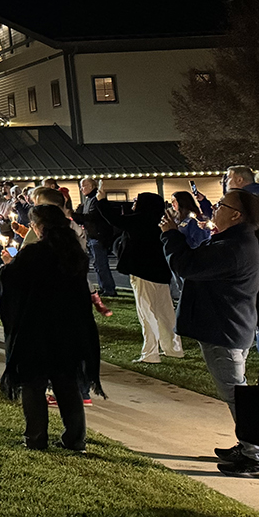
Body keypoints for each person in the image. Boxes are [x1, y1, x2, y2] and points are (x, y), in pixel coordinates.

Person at [161, 188, 259, 475]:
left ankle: (253, 454)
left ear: (236, 215)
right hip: (232, 325)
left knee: (236, 394)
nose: (214, 208)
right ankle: (247, 445)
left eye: (221, 205)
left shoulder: (233, 247)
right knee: (237, 391)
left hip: (224, 329)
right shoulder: (238, 241)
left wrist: (170, 235)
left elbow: (186, 266)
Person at [0, 205, 103, 452]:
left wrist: (8, 265)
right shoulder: (73, 253)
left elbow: (13, 284)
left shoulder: (34, 254)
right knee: (66, 382)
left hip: (36, 328)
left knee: (33, 383)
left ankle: (36, 437)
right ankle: (75, 438)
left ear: (40, 227)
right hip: (67, 327)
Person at [116, 192, 182, 364]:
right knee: (165, 313)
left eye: (137, 201)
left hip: (142, 273)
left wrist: (101, 200)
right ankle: (173, 349)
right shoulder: (160, 221)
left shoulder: (139, 221)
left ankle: (150, 353)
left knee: (147, 313)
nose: (133, 204)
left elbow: (113, 220)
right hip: (160, 274)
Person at [71, 177, 120, 297]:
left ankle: (109, 289)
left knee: (101, 264)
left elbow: (91, 217)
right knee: (98, 264)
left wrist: (72, 215)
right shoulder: (89, 200)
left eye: (83, 186)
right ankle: (104, 287)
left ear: (91, 186)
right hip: (93, 235)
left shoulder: (95, 200)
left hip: (98, 236)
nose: (81, 189)